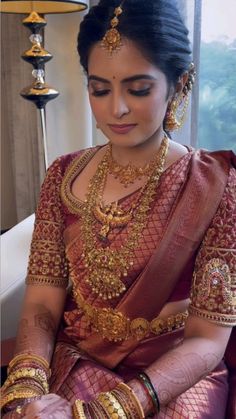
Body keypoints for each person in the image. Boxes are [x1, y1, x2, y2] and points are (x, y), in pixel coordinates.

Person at [1, 0, 235, 417]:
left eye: (139, 89)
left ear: (178, 86)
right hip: (78, 359)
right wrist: (25, 388)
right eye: (100, 89)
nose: (116, 109)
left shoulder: (216, 186)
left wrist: (108, 410)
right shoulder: (63, 175)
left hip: (176, 379)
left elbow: (208, 337)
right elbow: (42, 300)